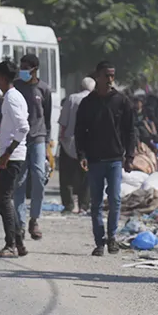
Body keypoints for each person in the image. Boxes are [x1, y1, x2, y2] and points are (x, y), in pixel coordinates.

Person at [74, 61, 137, 256]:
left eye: (112, 75)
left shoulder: (122, 101)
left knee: (115, 199)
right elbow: (80, 131)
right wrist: (81, 154)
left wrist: (130, 156)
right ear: (98, 77)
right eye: (106, 75)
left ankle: (112, 237)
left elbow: (130, 130)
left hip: (115, 159)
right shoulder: (87, 103)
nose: (110, 79)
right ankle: (99, 241)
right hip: (94, 159)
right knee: (95, 203)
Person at [0, 60, 30, 258]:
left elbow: (23, 127)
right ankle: (19, 243)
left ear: (3, 78)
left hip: (12, 156)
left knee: (4, 200)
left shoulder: (13, 98)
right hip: (12, 154)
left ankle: (11, 244)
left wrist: (7, 153)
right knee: (7, 200)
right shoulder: (12, 96)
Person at [12, 54, 52, 241]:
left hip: (38, 138)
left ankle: (34, 219)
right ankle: (20, 223)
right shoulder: (16, 87)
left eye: (26, 67)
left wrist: (48, 143)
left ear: (34, 69)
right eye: (22, 66)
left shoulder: (44, 89)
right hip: (19, 139)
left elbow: (47, 116)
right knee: (19, 181)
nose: (23, 70)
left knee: (39, 176)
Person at [58, 77, 94, 214]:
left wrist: (62, 136)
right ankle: (84, 205)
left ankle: (68, 205)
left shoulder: (72, 98)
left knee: (66, 175)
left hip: (69, 141)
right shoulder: (96, 100)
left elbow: (63, 121)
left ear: (80, 86)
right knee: (85, 175)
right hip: (88, 143)